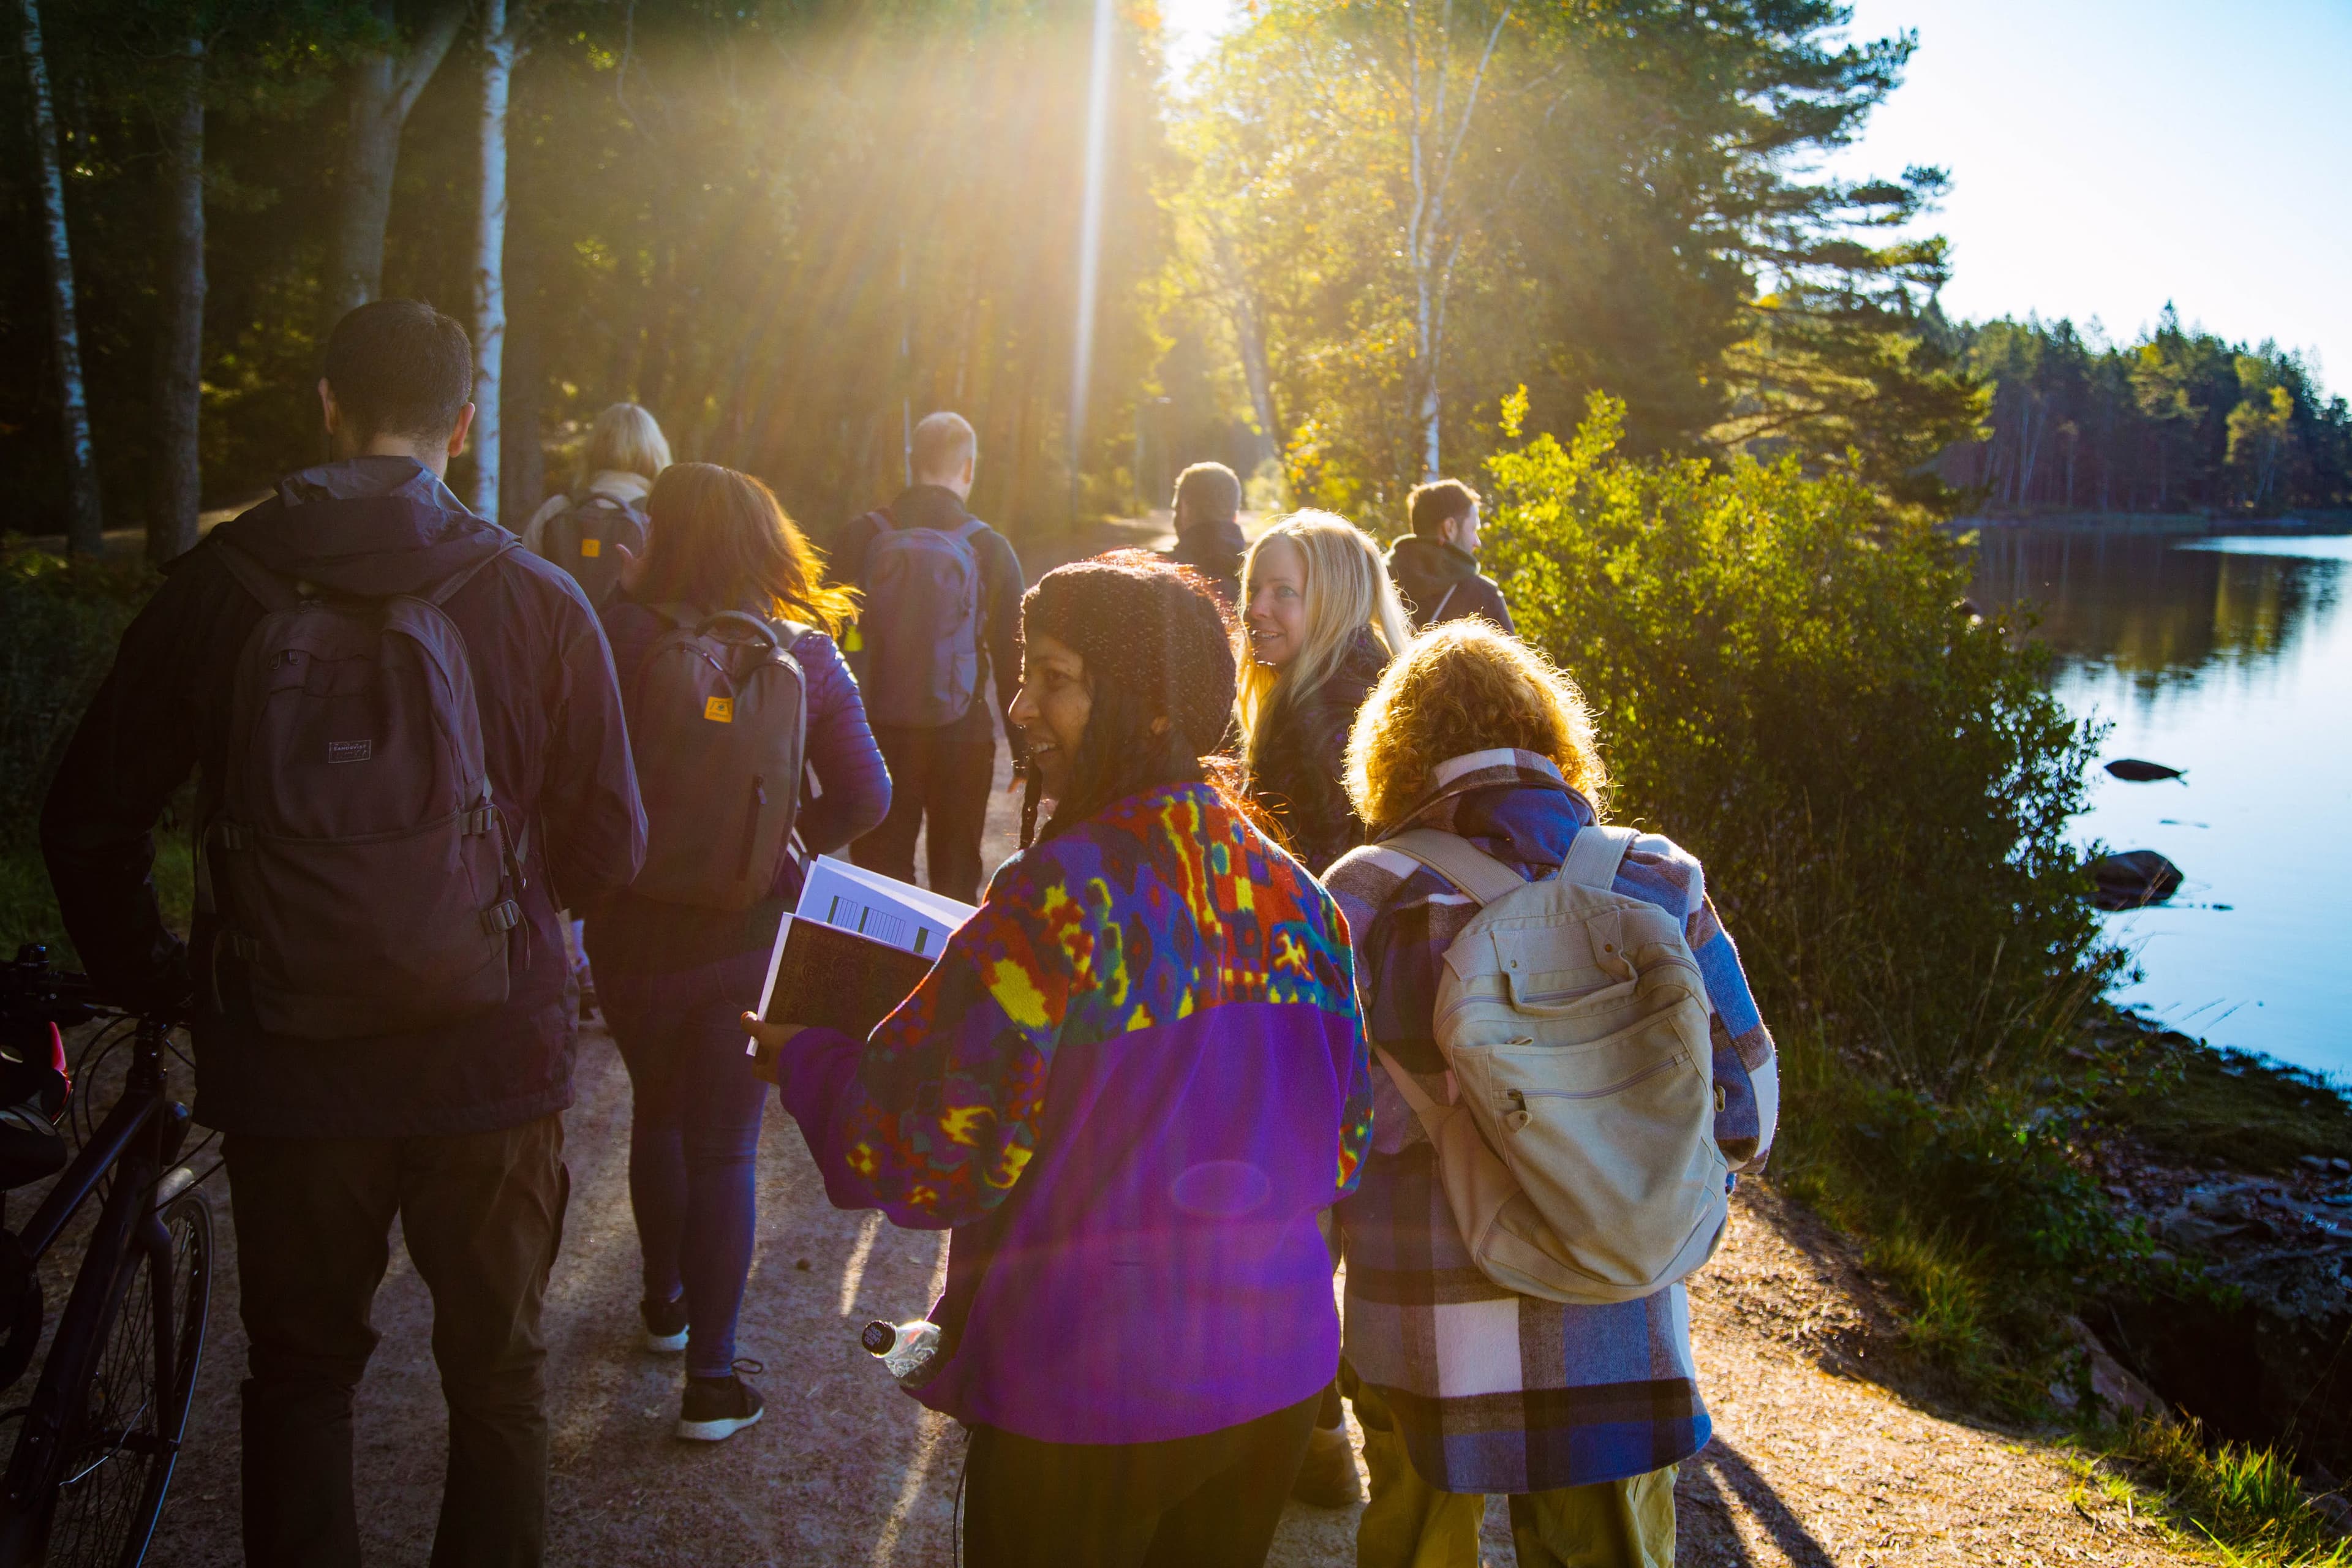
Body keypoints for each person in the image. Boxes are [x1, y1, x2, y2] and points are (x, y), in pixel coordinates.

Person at [40, 299, 646, 1568]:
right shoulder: (537, 597)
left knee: (302, 1373)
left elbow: (88, 818)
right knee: (498, 1376)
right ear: (463, 425)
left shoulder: (217, 588)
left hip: (288, 1059)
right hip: (490, 1062)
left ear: (326, 406)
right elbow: (612, 844)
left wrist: (167, 975)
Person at [746, 552, 1373, 1568]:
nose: (1020, 705)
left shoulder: (1056, 902)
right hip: (1277, 1377)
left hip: (1091, 1395)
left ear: (1153, 708)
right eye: (1022, 670)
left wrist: (813, 1064)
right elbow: (1345, 1146)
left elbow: (941, 1160)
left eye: (1055, 677)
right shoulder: (1302, 897)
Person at [1323, 620, 1780, 1568]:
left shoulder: (1367, 892)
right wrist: (1633, 1176)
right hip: (1617, 1316)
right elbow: (1749, 1108)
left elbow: (1324, 1132)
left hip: (1420, 1321)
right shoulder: (1656, 876)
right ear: (1550, 733)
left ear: (1394, 751)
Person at [586, 462, 889, 1442]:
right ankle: (712, 1384)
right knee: (725, 1144)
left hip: (632, 931)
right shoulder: (804, 651)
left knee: (657, 1111)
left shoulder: (616, 636)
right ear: (767, 543)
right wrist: (783, 843)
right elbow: (870, 792)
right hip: (749, 937)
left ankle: (662, 1305)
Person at [518, 400, 673, 1015]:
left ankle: (568, 957)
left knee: (556, 819)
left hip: (550, 693)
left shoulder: (555, 514)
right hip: (632, 692)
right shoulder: (661, 519)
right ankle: (615, 956)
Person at [832, 410, 1023, 903]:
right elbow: (1013, 657)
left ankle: (880, 954)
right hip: (961, 738)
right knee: (955, 882)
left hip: (874, 736)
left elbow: (821, 643)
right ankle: (948, 955)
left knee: (879, 883)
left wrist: (822, 743)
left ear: (911, 462)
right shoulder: (990, 548)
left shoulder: (859, 538)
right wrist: (1025, 752)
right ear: (969, 468)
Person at [1236, 510, 1415, 876]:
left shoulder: (1319, 720)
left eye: (1284, 592)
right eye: (1254, 590)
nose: (1254, 609)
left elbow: (1303, 885)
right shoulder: (1381, 681)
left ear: (1335, 600)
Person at [1387, 478, 1513, 634]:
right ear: (1450, 528)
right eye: (1473, 529)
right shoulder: (1484, 597)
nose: (1477, 542)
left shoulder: (1378, 584)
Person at [1165, 459, 1246, 606]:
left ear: (1184, 508)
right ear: (1235, 516)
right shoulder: (1258, 578)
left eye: (1175, 509)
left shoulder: (1160, 569)